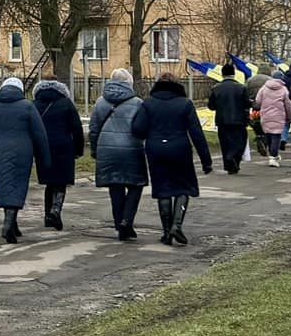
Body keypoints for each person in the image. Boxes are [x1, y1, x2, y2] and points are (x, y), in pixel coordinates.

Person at [131, 71, 212, 245]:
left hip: (156, 149)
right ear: (177, 85)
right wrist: (206, 161)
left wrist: (150, 134)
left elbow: (137, 129)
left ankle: (167, 232)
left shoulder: (148, 104)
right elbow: (196, 133)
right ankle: (177, 225)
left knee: (163, 188)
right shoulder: (185, 104)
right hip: (180, 148)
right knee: (183, 187)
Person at [0, 77, 53, 244]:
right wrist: (45, 159)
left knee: (3, 185)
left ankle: (11, 223)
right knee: (17, 185)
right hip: (21, 151)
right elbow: (40, 134)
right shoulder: (27, 106)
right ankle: (9, 224)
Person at [90, 68, 148, 240]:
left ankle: (119, 223)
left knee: (115, 185)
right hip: (131, 148)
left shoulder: (100, 102)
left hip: (106, 149)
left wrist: (95, 150)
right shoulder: (137, 103)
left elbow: (94, 129)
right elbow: (142, 128)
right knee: (136, 184)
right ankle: (126, 220)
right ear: (129, 82)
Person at [31, 76, 86, 229]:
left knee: (49, 182)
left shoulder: (35, 104)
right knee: (61, 181)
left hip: (43, 147)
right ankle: (55, 210)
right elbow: (77, 128)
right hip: (63, 147)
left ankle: (48, 216)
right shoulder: (66, 103)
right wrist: (78, 150)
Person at [208, 64, 251, 175]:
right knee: (239, 142)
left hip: (222, 120)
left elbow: (211, 106)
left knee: (225, 143)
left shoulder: (216, 88)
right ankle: (234, 159)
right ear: (234, 73)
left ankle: (228, 165)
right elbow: (247, 104)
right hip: (239, 120)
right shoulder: (241, 87)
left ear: (222, 74)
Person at [253, 72, 291, 169]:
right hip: (279, 116)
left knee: (269, 135)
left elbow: (258, 101)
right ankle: (273, 157)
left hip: (265, 115)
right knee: (276, 136)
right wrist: (289, 117)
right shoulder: (283, 89)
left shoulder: (264, 88)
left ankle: (273, 154)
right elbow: (288, 104)